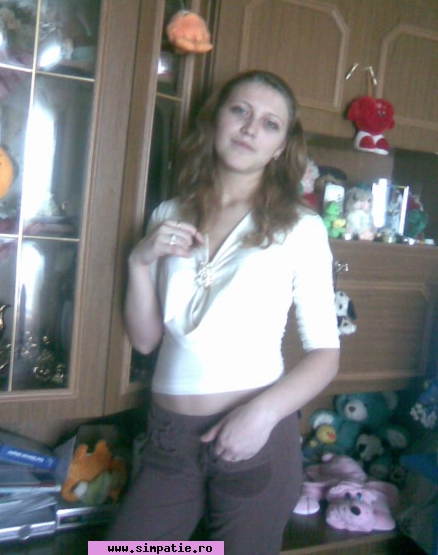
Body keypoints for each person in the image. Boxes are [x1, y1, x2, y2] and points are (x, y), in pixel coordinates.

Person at [108, 70, 341, 554]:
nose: (251, 128)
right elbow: (146, 340)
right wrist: (138, 262)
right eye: (240, 111)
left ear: (280, 147)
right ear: (216, 119)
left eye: (270, 123)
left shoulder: (301, 227)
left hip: (255, 434)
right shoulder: (168, 214)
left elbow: (325, 355)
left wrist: (260, 416)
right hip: (169, 439)